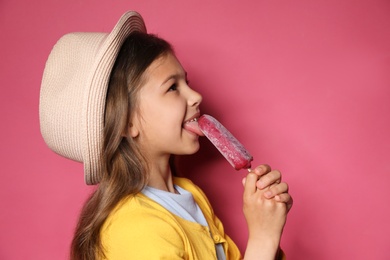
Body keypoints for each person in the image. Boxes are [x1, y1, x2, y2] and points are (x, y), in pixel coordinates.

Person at [40, 11, 293, 260]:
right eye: (172, 87)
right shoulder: (132, 229)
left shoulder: (188, 194)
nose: (196, 97)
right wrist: (263, 237)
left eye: (187, 83)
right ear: (126, 122)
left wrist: (267, 222)